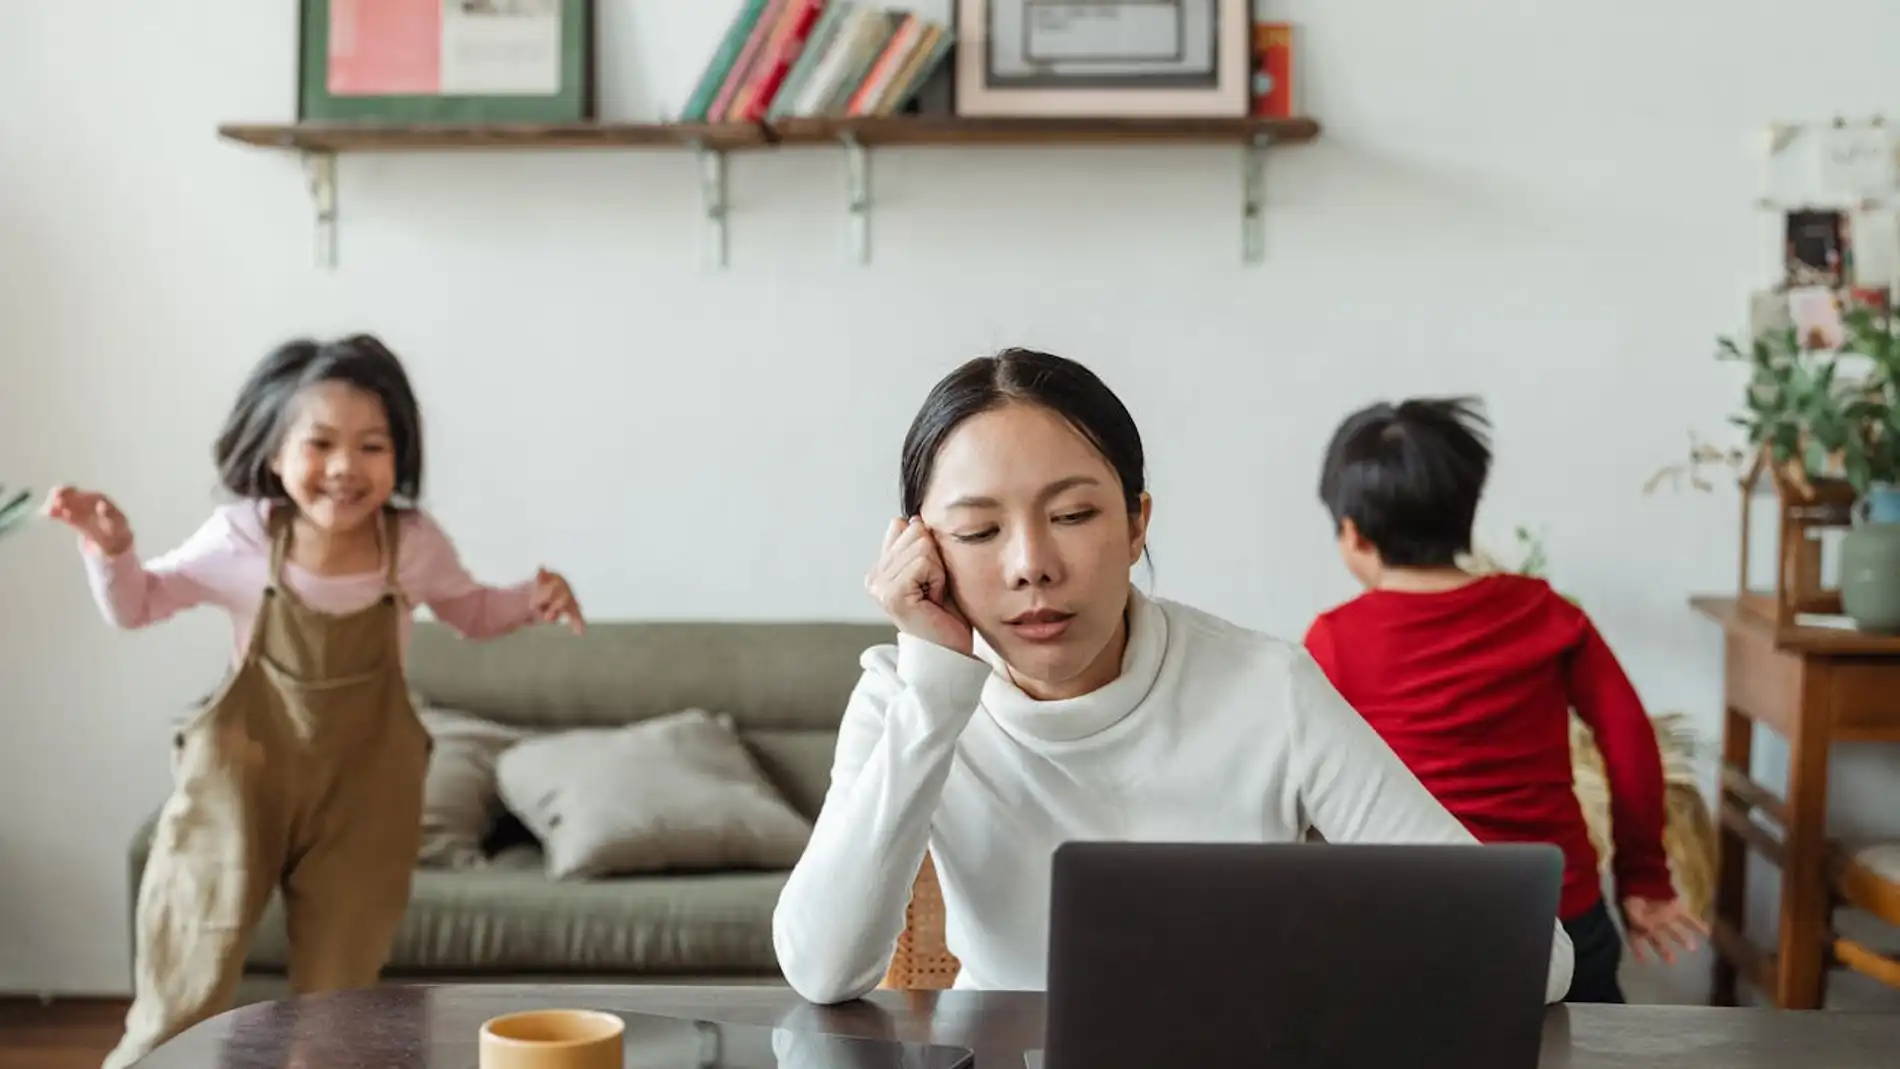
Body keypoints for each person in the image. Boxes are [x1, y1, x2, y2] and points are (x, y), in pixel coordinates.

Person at [770, 349, 1575, 1006]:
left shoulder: (1269, 687)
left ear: (1136, 524)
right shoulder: (903, 697)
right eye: (979, 529)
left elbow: (1535, 958)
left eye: (1075, 515)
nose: (1031, 567)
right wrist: (936, 691)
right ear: (922, 550)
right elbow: (820, 968)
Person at [42, 334, 586, 1069]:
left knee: (339, 1012)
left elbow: (471, 611)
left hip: (363, 797)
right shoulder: (240, 537)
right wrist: (111, 551)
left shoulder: (413, 545)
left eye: (371, 445)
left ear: (399, 457)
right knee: (182, 989)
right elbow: (139, 604)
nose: (344, 467)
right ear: (272, 453)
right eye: (320, 442)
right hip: (239, 787)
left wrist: (531, 598)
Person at [1301, 396, 1707, 1004]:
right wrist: (1643, 874)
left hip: (1416, 926)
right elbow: (1629, 741)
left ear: (1354, 535)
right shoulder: (1547, 614)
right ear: (1467, 513)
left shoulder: (1333, 641)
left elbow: (1309, 782)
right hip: (1560, 917)